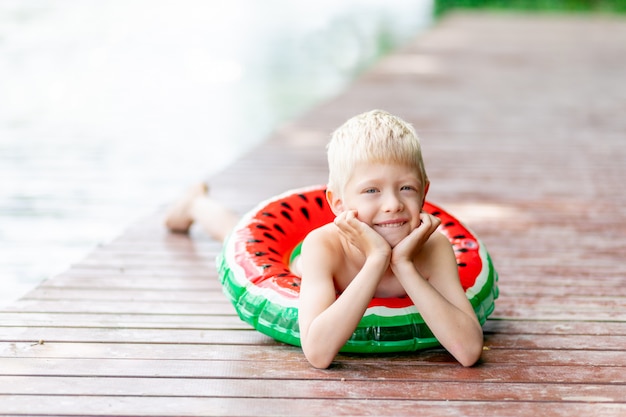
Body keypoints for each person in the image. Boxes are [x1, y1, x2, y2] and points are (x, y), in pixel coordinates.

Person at [165, 109, 484, 369]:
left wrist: (403, 264)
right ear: (339, 204)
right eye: (372, 190)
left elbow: (468, 352)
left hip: (393, 257)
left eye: (406, 188)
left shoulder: (434, 248)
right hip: (302, 263)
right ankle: (196, 204)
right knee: (232, 231)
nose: (392, 204)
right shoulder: (323, 247)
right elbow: (318, 353)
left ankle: (196, 203)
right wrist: (376, 260)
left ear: (424, 192)